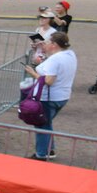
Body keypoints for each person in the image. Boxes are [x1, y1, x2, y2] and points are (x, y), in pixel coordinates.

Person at [23, 31, 77, 161]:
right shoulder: (70, 54)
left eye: (47, 42)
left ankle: (41, 154)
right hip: (62, 96)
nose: (45, 44)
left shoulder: (55, 59)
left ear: (54, 44)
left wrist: (32, 72)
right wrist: (42, 50)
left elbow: (48, 81)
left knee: (42, 125)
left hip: (49, 98)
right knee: (47, 123)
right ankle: (49, 150)